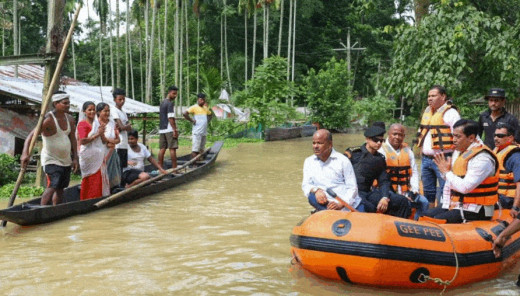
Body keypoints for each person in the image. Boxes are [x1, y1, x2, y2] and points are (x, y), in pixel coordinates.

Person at [423, 119, 498, 223]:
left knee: (437, 221)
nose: (453, 140)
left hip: (477, 209)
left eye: (458, 136)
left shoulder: (483, 158)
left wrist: (446, 172)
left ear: (471, 138)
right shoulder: (459, 152)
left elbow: (465, 187)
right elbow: (451, 181)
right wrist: (445, 172)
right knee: (425, 216)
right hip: (457, 205)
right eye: (453, 135)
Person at [20, 91, 79, 205]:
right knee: (53, 185)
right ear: (56, 103)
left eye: (68, 103)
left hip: (66, 159)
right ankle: (42, 210)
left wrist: (75, 157)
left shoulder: (70, 119)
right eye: (65, 103)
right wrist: (25, 153)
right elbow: (30, 136)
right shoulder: (48, 119)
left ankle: (56, 209)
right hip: (51, 159)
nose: (68, 105)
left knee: (61, 188)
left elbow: (73, 139)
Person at [345, 124, 410, 218]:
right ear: (367, 139)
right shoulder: (353, 153)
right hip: (353, 192)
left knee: (401, 201)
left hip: (367, 192)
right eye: (375, 140)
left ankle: (396, 228)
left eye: (381, 140)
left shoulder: (380, 159)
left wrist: (384, 197)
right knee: (368, 207)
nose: (379, 143)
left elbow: (384, 181)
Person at [416, 85, 461, 205]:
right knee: (427, 190)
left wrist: (454, 158)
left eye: (433, 96)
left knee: (444, 189)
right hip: (426, 159)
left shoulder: (451, 113)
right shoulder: (427, 112)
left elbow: (458, 137)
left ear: (443, 96)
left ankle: (442, 213)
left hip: (443, 158)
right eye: (429, 96)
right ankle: (428, 214)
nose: (430, 99)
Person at [302, 129, 363, 212]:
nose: (315, 146)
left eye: (319, 143)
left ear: (330, 144)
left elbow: (353, 188)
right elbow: (306, 185)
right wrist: (316, 190)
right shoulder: (309, 161)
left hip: (347, 204)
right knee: (311, 197)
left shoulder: (343, 160)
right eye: (314, 143)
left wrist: (341, 204)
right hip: (326, 204)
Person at [378, 123, 429, 220]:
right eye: (394, 134)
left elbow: (413, 172)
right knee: (402, 202)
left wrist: (414, 190)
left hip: (406, 190)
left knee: (424, 202)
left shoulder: (408, 151)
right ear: (389, 134)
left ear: (404, 136)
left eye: (400, 135)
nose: (397, 137)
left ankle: (418, 224)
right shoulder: (381, 150)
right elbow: (381, 177)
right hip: (389, 190)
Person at [76, 101, 110, 200]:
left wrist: (102, 132)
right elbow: (83, 141)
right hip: (88, 157)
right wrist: (97, 134)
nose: (92, 112)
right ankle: (86, 199)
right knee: (89, 179)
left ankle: (97, 198)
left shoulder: (97, 123)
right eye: (89, 110)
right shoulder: (82, 124)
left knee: (98, 179)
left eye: (93, 109)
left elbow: (104, 141)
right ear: (84, 112)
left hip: (98, 157)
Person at [492, 123, 520, 216]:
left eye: (500, 136)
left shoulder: (515, 156)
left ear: (510, 138)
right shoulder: (496, 151)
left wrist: (515, 207)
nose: (496, 138)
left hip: (508, 200)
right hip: (498, 196)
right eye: (495, 135)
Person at [96, 102, 121, 191]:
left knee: (112, 173)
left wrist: (110, 142)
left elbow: (118, 140)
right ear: (99, 112)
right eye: (105, 111)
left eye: (108, 111)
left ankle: (111, 189)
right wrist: (108, 142)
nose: (107, 113)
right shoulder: (95, 123)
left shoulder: (112, 123)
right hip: (99, 153)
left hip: (111, 152)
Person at [183, 93, 213, 159]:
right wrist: (192, 120)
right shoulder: (194, 107)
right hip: (197, 132)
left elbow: (210, 115)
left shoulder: (205, 108)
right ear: (198, 100)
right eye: (200, 100)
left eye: (203, 100)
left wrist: (207, 121)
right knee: (195, 150)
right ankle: (194, 165)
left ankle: (200, 160)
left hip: (203, 133)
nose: (202, 101)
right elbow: (185, 114)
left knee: (202, 149)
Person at [111, 88, 132, 174]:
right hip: (118, 144)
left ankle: (121, 184)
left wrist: (124, 127)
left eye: (123, 99)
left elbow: (128, 127)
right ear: (115, 100)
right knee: (117, 166)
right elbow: (122, 127)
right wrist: (124, 127)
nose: (122, 101)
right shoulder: (113, 110)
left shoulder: (123, 112)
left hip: (124, 144)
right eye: (120, 99)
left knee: (122, 166)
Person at [158, 86, 179, 169]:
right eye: (174, 94)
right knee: (172, 149)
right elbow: (170, 118)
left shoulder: (162, 102)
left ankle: (160, 168)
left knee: (162, 149)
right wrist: (175, 130)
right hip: (169, 129)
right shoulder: (170, 103)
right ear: (169, 93)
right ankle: (175, 169)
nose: (175, 96)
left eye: (176, 94)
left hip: (162, 129)